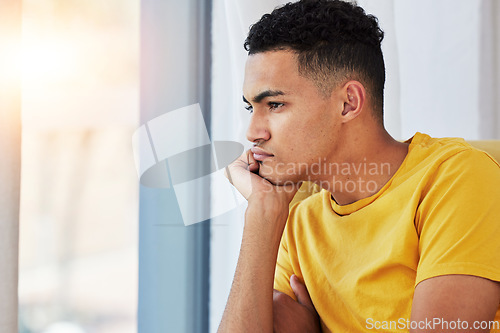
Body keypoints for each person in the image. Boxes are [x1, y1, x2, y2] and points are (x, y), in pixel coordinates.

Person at [217, 0, 500, 332]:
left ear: (348, 102)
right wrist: (262, 214)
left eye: (275, 104)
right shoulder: (296, 224)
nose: (253, 132)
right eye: (252, 108)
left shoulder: (456, 179)